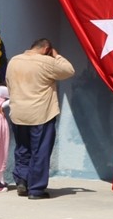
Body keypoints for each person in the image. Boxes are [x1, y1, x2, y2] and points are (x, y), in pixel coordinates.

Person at [5, 38, 76, 199]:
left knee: (22, 149)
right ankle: (36, 189)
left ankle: (22, 180)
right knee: (40, 151)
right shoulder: (45, 62)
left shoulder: (14, 61)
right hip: (40, 113)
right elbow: (69, 70)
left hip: (18, 113)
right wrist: (57, 56)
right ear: (46, 49)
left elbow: (9, 84)